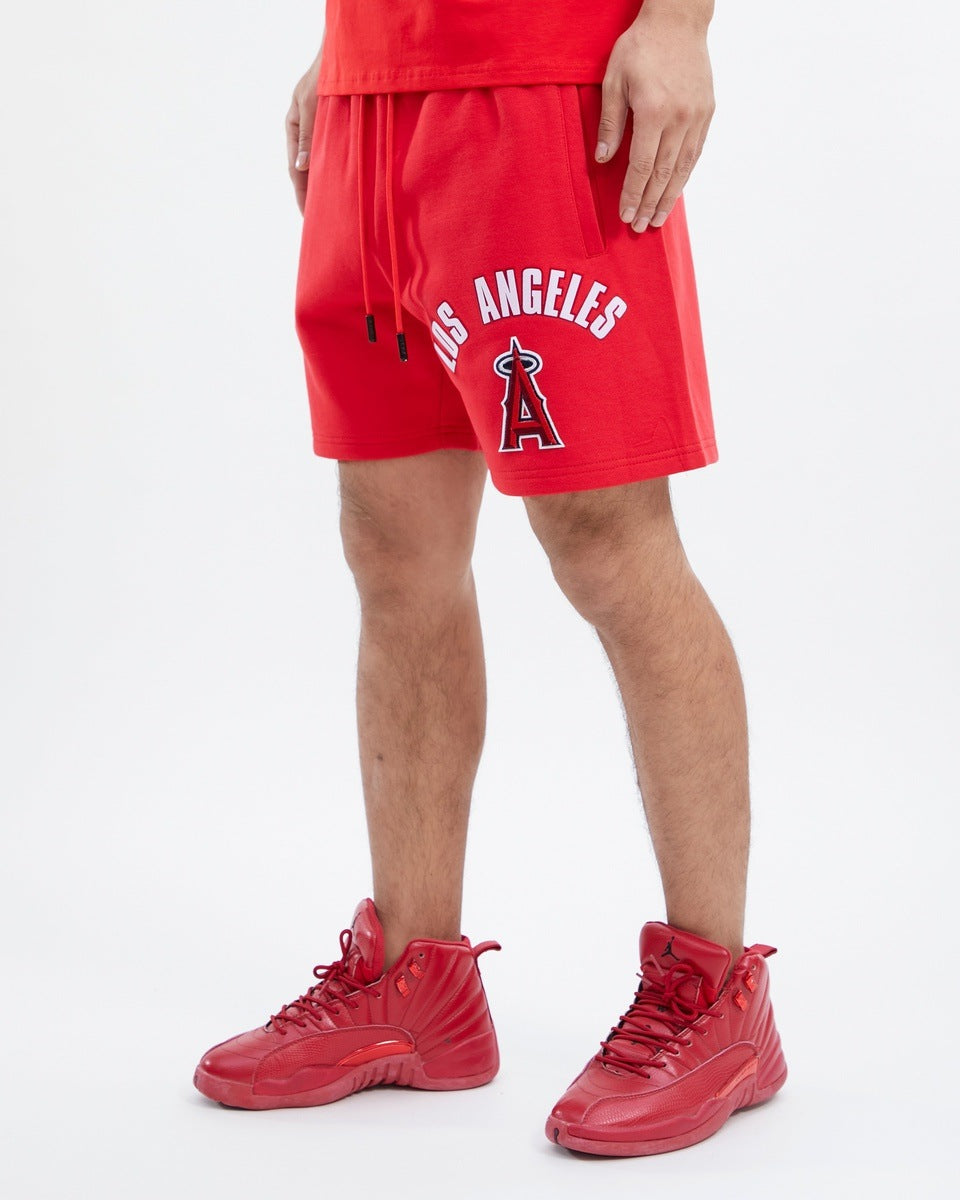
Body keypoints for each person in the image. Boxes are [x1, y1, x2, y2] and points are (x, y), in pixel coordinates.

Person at [193, 0, 787, 1156]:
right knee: (392, 544)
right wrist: (345, 52)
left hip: (548, 89)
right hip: (373, 100)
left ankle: (717, 993)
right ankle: (415, 983)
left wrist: (678, 23)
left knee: (606, 541)